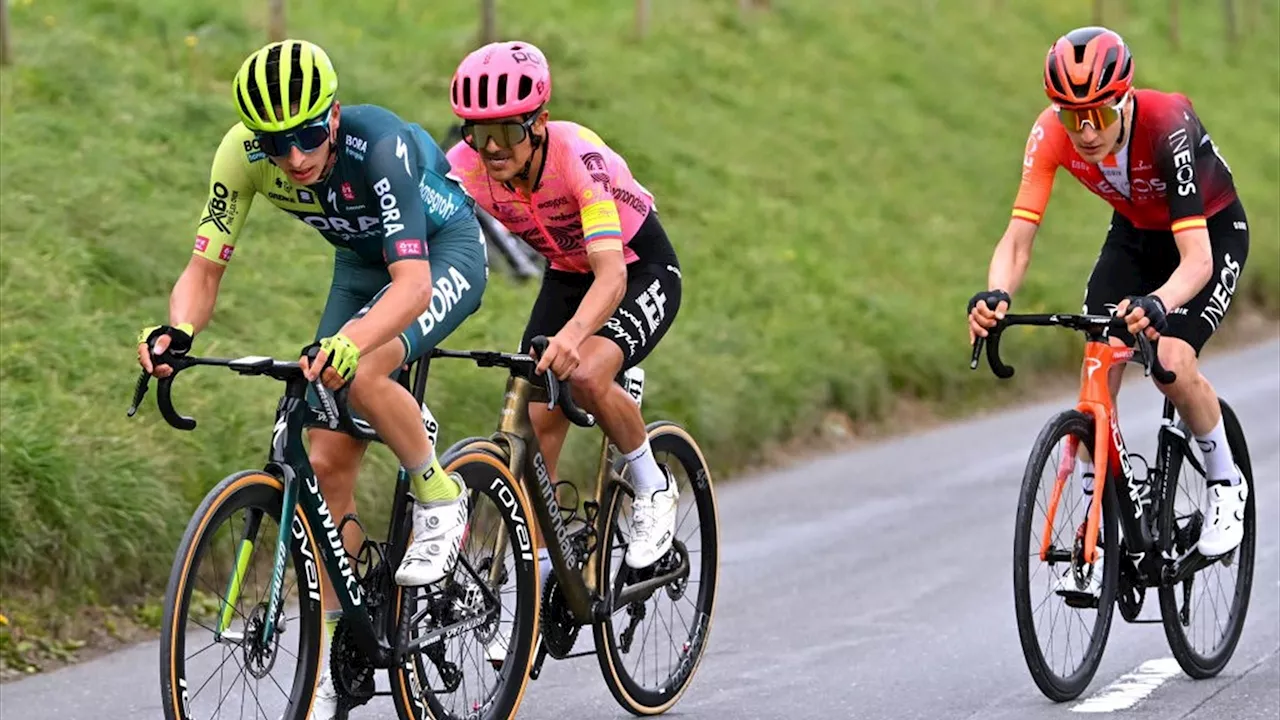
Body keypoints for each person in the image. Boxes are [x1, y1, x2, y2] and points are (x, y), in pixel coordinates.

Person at [135, 39, 488, 719]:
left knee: (363, 368)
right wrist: (177, 333)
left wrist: (353, 343)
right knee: (324, 464)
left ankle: (440, 493)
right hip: (360, 264)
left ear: (330, 115)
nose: (294, 159)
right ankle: (340, 648)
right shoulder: (240, 157)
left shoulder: (378, 144)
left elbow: (412, 286)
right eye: (275, 144)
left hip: (440, 256)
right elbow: (204, 268)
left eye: (305, 136)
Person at [967, 26, 1249, 595]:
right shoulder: (1049, 134)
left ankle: (1225, 483)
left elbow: (1195, 261)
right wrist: (996, 295)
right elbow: (1018, 239)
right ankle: (1100, 528)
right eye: (1073, 118)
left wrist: (1158, 304)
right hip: (1136, 234)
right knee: (1099, 352)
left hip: (1208, 234)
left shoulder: (1167, 124)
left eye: (1097, 114)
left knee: (1169, 360)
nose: (1086, 132)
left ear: (1124, 100)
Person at [444, 41, 684, 573]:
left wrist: (575, 337)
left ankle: (653, 486)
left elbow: (612, 275)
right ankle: (548, 572)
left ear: (540, 123)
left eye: (505, 131)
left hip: (636, 268)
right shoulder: (465, 166)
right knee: (535, 412)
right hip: (566, 273)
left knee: (588, 375)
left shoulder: (580, 159)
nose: (491, 149)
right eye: (477, 132)